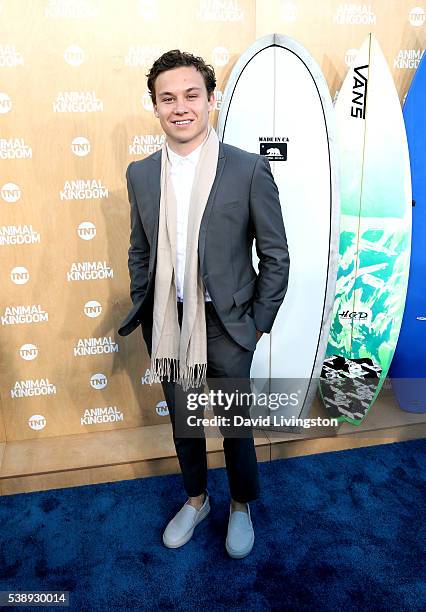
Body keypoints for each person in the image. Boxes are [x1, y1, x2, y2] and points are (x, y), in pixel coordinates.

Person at [118, 50, 290, 559]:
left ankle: (240, 505)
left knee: (236, 426)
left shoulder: (247, 169)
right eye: (167, 98)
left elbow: (276, 255)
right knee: (183, 422)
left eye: (192, 95)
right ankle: (197, 500)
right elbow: (139, 248)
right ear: (154, 107)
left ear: (211, 100)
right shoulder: (141, 174)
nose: (181, 107)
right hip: (169, 323)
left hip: (229, 325)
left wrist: (257, 324)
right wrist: (146, 304)